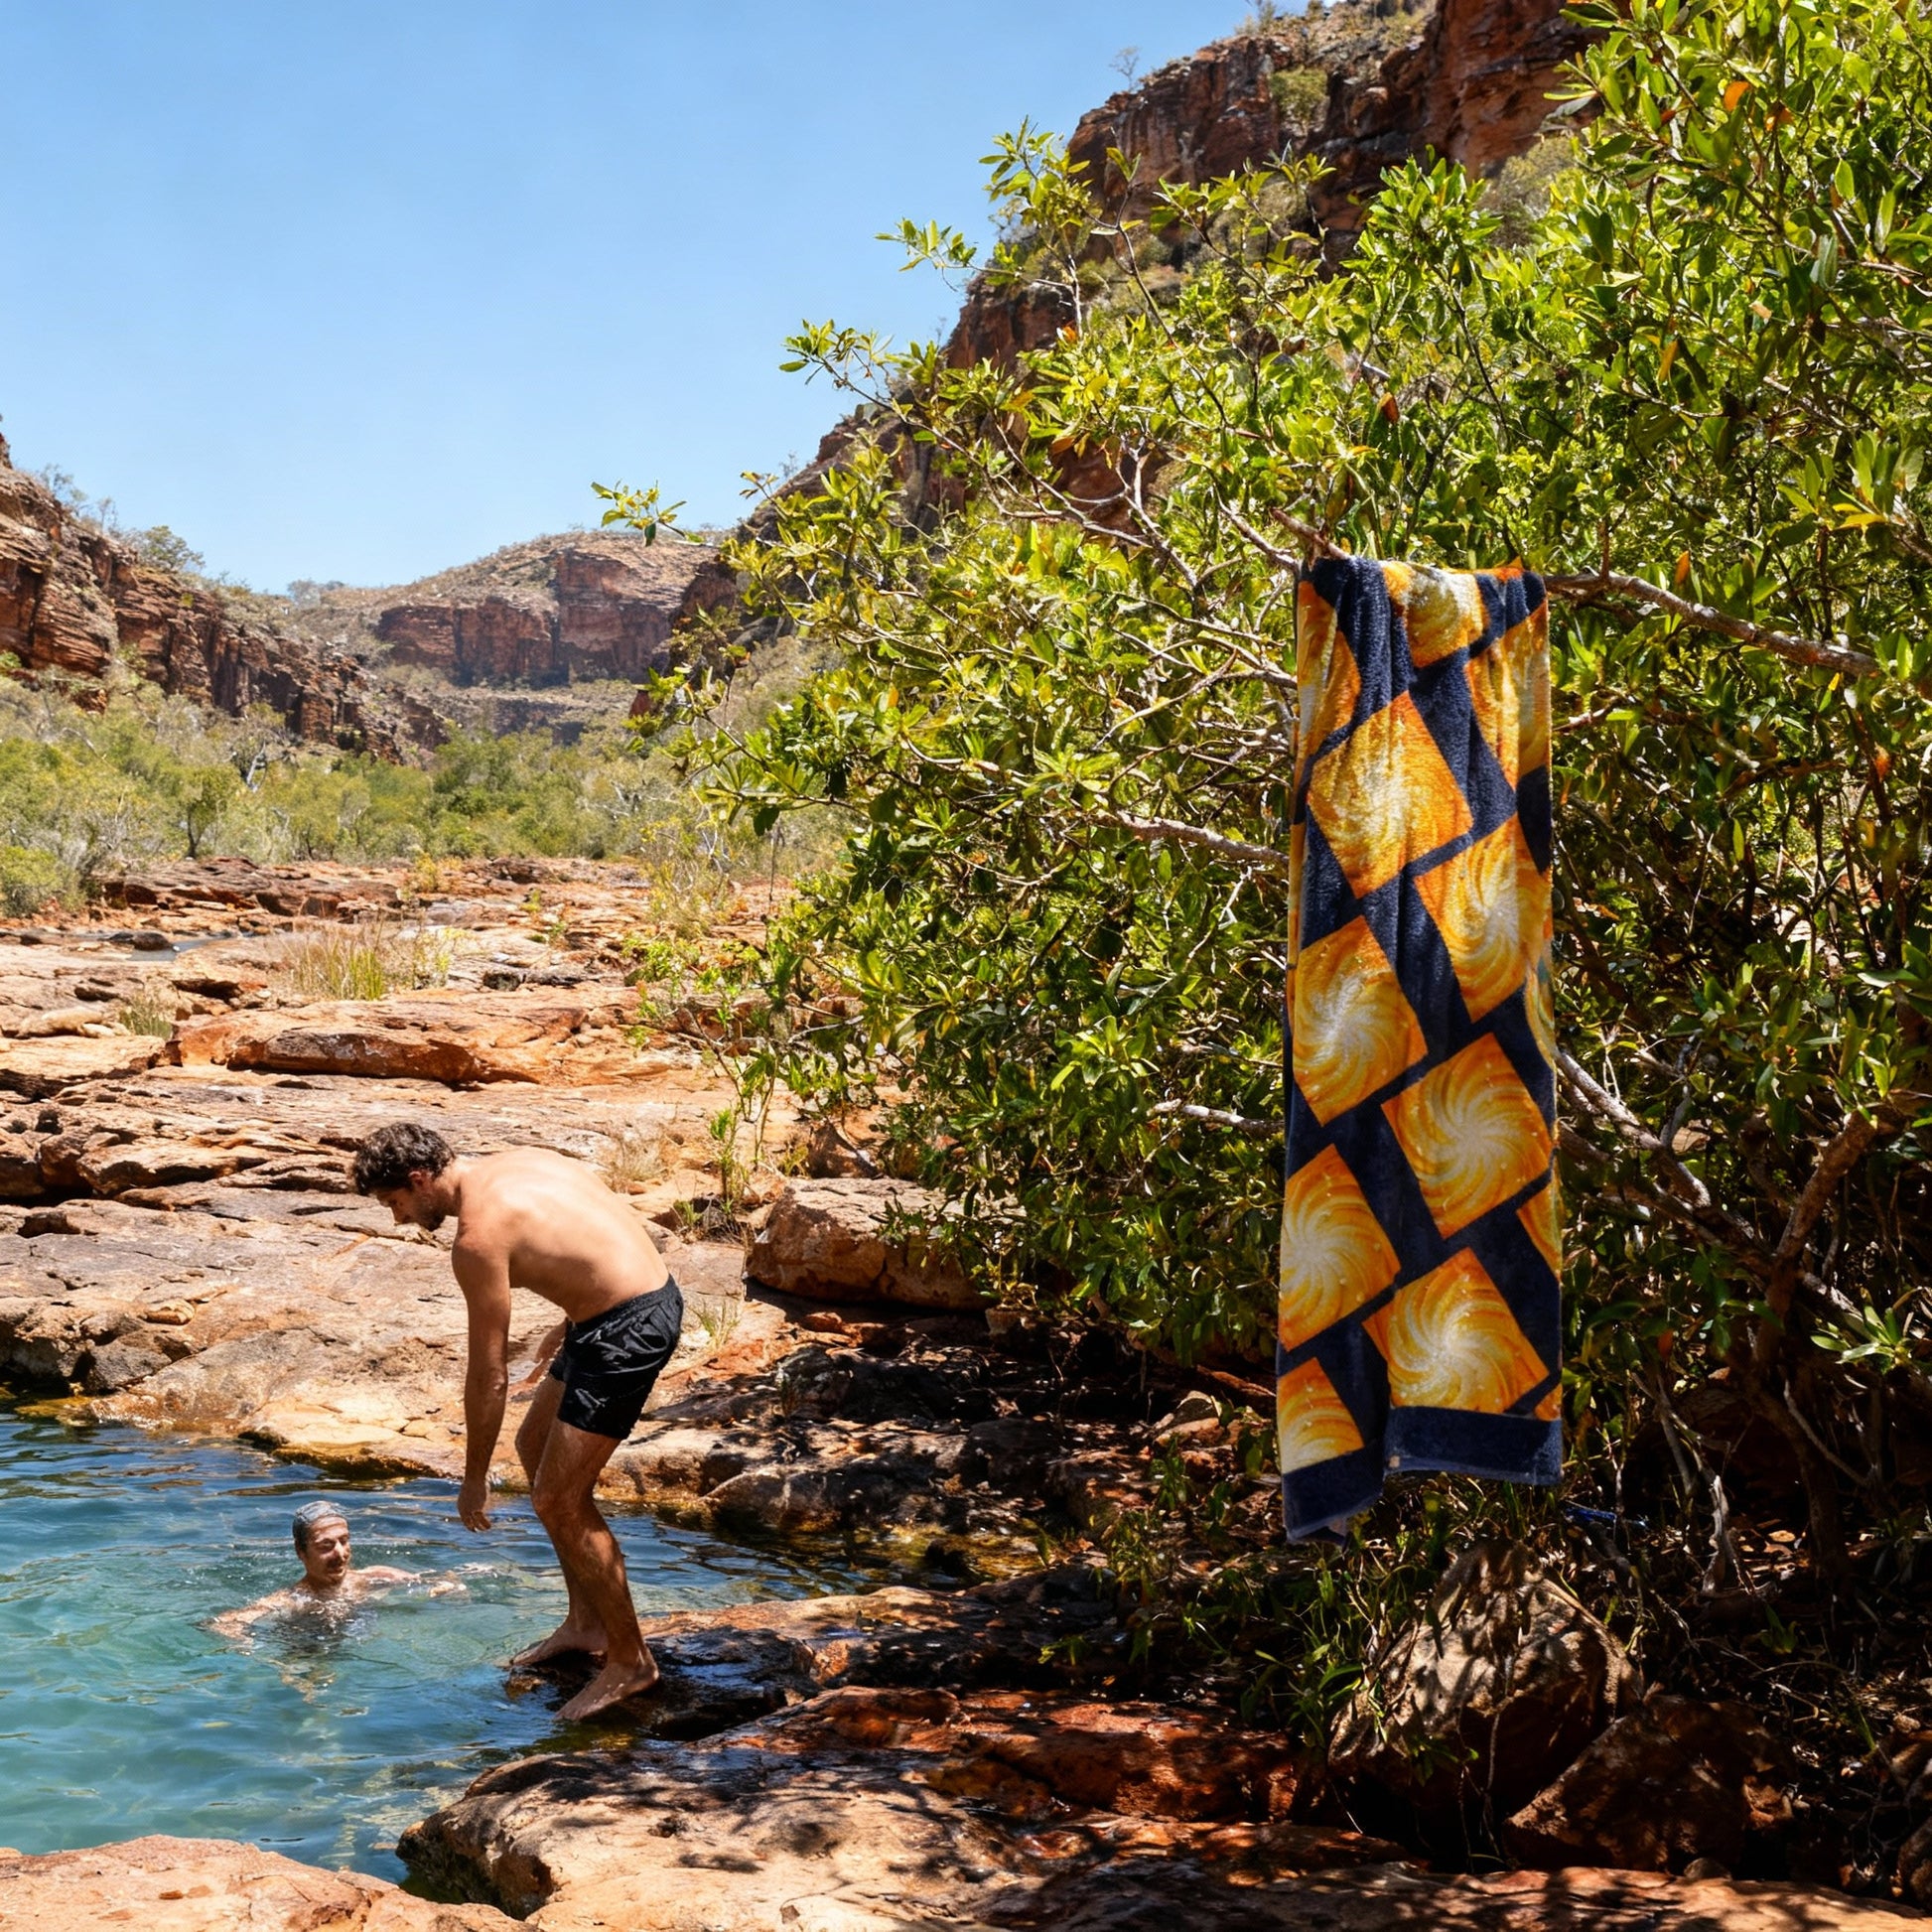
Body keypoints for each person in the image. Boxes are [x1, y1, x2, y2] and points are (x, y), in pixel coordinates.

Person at [351, 1122, 684, 1722]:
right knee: (535, 1446)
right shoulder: (516, 1158)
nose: (398, 1219)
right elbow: (602, 1226)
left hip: (628, 1329)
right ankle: (585, 1624)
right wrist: (576, 1312)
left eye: (395, 1203)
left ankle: (631, 1662)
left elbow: (490, 1374)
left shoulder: (476, 1239)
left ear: (419, 1180)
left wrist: (473, 1475)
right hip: (620, 1308)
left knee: (558, 1500)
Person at [211, 1501, 416, 1636]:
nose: (340, 1553)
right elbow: (223, 1623)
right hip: (307, 1658)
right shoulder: (295, 1600)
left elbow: (434, 1581)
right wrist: (237, 1635)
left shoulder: (376, 1577)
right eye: (325, 1546)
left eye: (344, 1541)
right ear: (300, 1551)